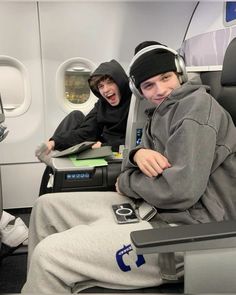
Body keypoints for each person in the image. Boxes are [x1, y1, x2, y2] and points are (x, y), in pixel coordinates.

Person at [21, 42, 236, 294]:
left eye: (166, 78)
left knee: (49, 257)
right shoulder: (159, 113)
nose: (160, 90)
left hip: (192, 231)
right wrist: (137, 154)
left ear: (180, 73)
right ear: (139, 90)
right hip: (153, 208)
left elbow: (179, 191)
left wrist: (127, 183)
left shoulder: (196, 109)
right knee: (46, 207)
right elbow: (127, 165)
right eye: (148, 85)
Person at [37, 59, 132, 195]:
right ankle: (54, 160)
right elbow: (86, 132)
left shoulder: (135, 103)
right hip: (98, 146)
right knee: (75, 116)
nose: (106, 90)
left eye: (110, 82)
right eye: (100, 86)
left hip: (114, 152)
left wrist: (106, 146)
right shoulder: (101, 105)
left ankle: (49, 186)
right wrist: (53, 142)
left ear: (120, 81)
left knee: (60, 164)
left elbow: (135, 138)